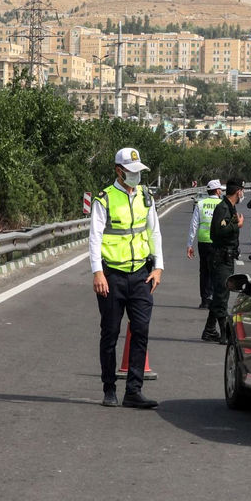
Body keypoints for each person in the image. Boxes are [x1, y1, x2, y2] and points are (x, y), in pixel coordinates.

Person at [90, 147, 163, 408]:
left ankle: (134, 390)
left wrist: (158, 268)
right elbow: (95, 237)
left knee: (141, 331)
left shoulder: (146, 196)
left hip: (141, 275)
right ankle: (109, 388)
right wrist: (97, 271)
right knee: (110, 333)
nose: (136, 176)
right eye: (130, 172)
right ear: (118, 171)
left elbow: (154, 232)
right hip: (112, 277)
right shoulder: (105, 199)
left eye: (138, 172)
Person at [203, 178, 244, 343]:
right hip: (220, 258)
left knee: (221, 293)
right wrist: (237, 225)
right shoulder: (222, 208)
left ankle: (209, 330)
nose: (242, 194)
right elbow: (218, 232)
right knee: (222, 296)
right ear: (237, 191)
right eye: (241, 190)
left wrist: (234, 223)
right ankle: (224, 333)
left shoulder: (230, 207)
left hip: (227, 257)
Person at [186, 179, 222, 309]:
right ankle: (213, 298)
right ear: (217, 191)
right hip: (217, 243)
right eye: (221, 190)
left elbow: (193, 225)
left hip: (203, 242)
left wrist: (189, 244)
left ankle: (205, 300)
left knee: (204, 272)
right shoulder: (222, 204)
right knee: (216, 271)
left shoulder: (200, 204)